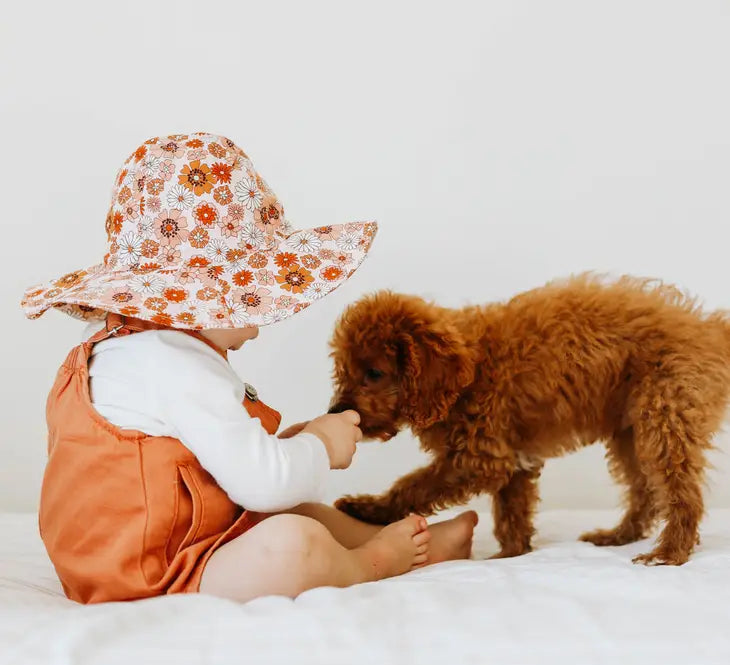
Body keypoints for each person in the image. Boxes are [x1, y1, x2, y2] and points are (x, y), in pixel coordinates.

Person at [21, 132, 477, 605]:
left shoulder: (118, 349)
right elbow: (263, 485)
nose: (257, 329)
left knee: (294, 509)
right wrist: (320, 446)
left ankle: (406, 542)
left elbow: (198, 468)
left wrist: (288, 445)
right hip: (152, 573)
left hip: (102, 557)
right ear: (201, 303)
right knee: (291, 543)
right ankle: (376, 561)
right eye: (251, 304)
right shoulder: (178, 364)